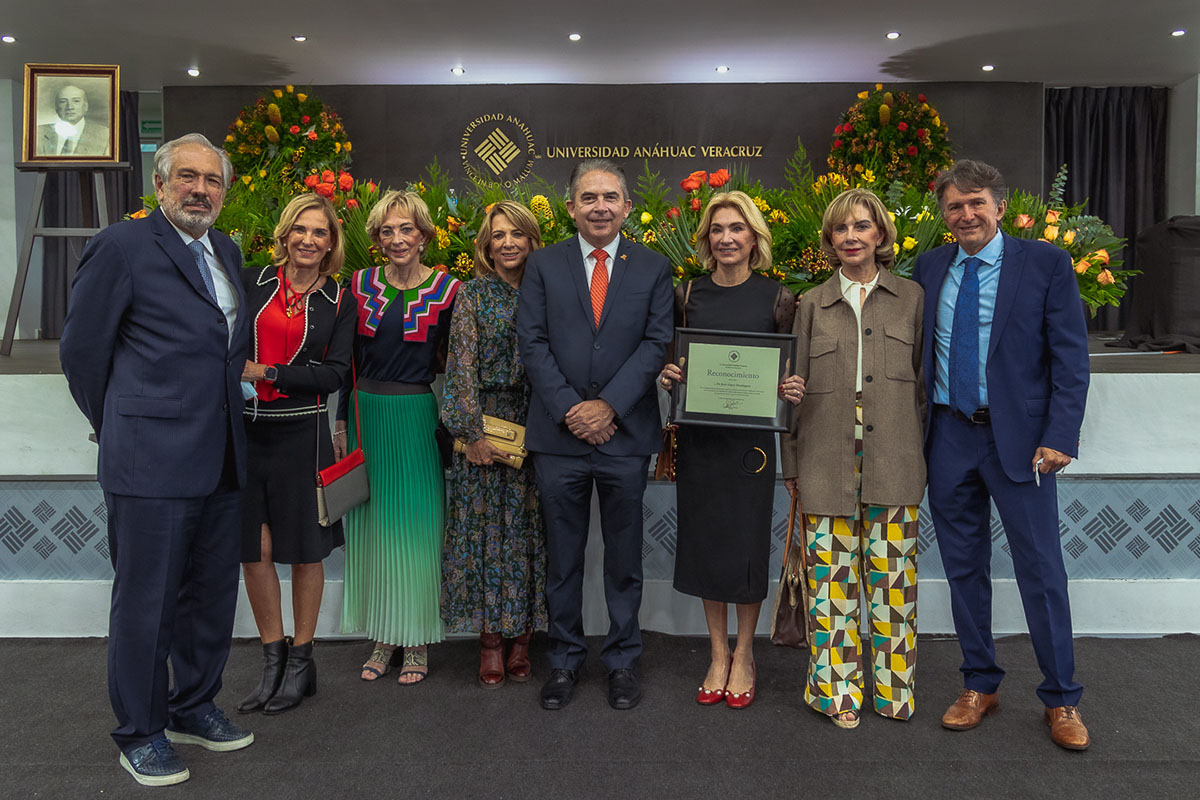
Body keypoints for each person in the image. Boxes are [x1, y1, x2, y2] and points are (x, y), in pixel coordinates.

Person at [59, 133, 252, 786]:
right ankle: (140, 731)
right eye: (188, 177)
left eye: (213, 181)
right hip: (149, 463)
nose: (201, 189)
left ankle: (192, 706)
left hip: (222, 456)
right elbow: (82, 353)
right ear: (162, 184)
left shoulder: (225, 250)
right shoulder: (122, 246)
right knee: (148, 602)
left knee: (209, 596)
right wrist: (118, 425)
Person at [911, 159, 1091, 750]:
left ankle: (1061, 698)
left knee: (1041, 571)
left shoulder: (1044, 263)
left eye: (976, 203)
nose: (966, 215)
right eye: (955, 206)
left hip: (1022, 444)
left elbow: (1070, 358)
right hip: (948, 437)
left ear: (998, 206)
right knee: (963, 570)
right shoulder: (930, 267)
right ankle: (979, 683)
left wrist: (1061, 434)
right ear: (944, 215)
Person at [517, 159, 673, 711]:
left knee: (625, 558)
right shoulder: (543, 265)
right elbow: (531, 343)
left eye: (610, 197)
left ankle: (623, 661)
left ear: (627, 207)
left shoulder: (654, 267)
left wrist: (607, 406)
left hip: (625, 437)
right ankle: (562, 661)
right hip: (558, 440)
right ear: (571, 208)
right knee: (563, 559)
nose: (600, 207)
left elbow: (657, 344)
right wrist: (571, 410)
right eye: (589, 198)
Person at [780, 187, 926, 729]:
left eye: (861, 226)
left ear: (881, 235)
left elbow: (924, 391)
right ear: (829, 239)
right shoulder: (810, 305)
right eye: (841, 229)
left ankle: (892, 695)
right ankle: (837, 696)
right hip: (823, 461)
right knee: (832, 588)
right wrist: (790, 464)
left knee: (893, 587)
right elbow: (790, 393)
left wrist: (923, 461)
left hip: (896, 460)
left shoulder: (912, 298)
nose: (851, 237)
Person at [657, 191, 802, 710]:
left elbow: (789, 371)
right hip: (702, 441)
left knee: (743, 547)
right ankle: (716, 653)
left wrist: (790, 389)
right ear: (705, 239)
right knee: (705, 544)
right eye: (717, 229)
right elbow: (676, 362)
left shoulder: (779, 298)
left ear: (754, 237)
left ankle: (745, 654)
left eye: (737, 228)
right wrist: (670, 373)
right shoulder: (687, 293)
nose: (726, 238)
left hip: (752, 449)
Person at [335, 189, 461, 685]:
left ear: (424, 235)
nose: (396, 239)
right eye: (386, 231)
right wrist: (341, 423)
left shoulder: (449, 291)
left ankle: (416, 639)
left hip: (415, 414)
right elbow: (344, 361)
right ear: (376, 239)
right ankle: (383, 634)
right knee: (375, 528)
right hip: (366, 412)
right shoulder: (359, 285)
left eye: (406, 229)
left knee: (418, 527)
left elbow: (456, 364)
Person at [237, 193, 356, 714]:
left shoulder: (340, 301)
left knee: (307, 551)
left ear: (332, 244)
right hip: (243, 433)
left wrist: (267, 373)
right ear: (285, 235)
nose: (309, 240)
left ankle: (303, 661)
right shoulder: (250, 282)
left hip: (301, 432)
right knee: (254, 551)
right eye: (300, 230)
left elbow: (334, 374)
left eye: (320, 233)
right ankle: (272, 660)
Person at [441, 200, 547, 687]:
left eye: (517, 234)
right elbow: (459, 368)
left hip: (539, 424)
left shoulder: (550, 292)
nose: (508, 243)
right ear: (486, 243)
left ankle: (523, 637)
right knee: (483, 536)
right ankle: (489, 641)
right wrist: (471, 435)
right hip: (484, 425)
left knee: (528, 534)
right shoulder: (473, 294)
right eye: (498, 235)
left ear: (532, 240)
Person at [37, 84, 111, 157]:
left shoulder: (104, 135)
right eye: (63, 101)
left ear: (85, 106)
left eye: (76, 101)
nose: (69, 107)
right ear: (56, 107)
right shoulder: (38, 133)